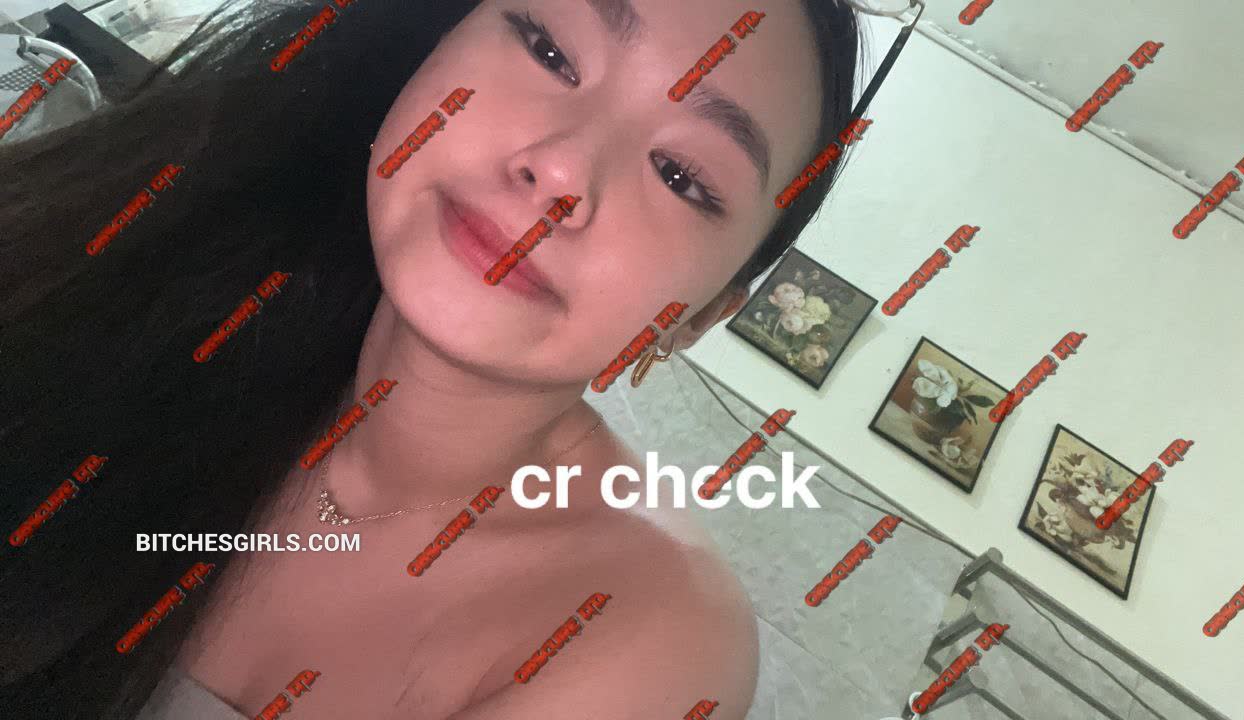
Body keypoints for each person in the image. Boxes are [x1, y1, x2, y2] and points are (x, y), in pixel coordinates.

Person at [0, 0, 864, 717]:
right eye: (551, 50)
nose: (562, 171)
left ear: (698, 318)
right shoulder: (176, 281)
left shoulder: (648, 640)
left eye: (680, 175)